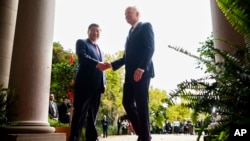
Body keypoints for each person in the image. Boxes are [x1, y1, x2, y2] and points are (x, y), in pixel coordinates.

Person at [104, 6, 155, 141]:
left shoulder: (146, 26)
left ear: (137, 14)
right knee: (127, 102)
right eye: (125, 14)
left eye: (128, 13)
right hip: (129, 74)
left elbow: (150, 48)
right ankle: (144, 133)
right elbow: (126, 57)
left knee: (142, 104)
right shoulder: (129, 33)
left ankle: (144, 136)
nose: (126, 16)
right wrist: (111, 65)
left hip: (141, 72)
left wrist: (141, 68)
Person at [69, 23, 107, 141]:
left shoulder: (101, 50)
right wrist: (97, 63)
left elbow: (103, 69)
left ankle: (92, 138)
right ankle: (74, 138)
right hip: (84, 85)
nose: (96, 33)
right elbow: (82, 57)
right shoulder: (81, 42)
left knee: (93, 116)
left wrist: (104, 82)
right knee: (80, 113)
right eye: (93, 30)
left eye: (98, 31)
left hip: (97, 87)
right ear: (88, 31)